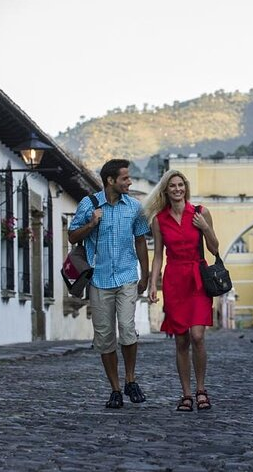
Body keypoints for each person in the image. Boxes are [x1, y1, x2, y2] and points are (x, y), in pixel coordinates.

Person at [68, 159, 150, 409]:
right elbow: (72, 236)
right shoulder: (88, 204)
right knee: (104, 337)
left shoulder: (135, 207)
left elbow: (140, 242)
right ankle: (115, 388)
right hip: (99, 279)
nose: (130, 182)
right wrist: (91, 224)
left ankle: (130, 379)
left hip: (126, 276)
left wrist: (145, 275)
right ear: (110, 181)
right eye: (125, 178)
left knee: (126, 328)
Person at [144, 170, 219, 412]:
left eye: (181, 185)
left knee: (197, 336)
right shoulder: (159, 219)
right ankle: (186, 393)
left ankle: (201, 389)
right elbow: (158, 257)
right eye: (172, 186)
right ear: (166, 190)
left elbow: (215, 248)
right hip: (174, 280)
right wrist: (153, 284)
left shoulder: (200, 212)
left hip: (197, 277)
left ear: (185, 188)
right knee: (181, 340)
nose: (177, 189)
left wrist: (205, 227)